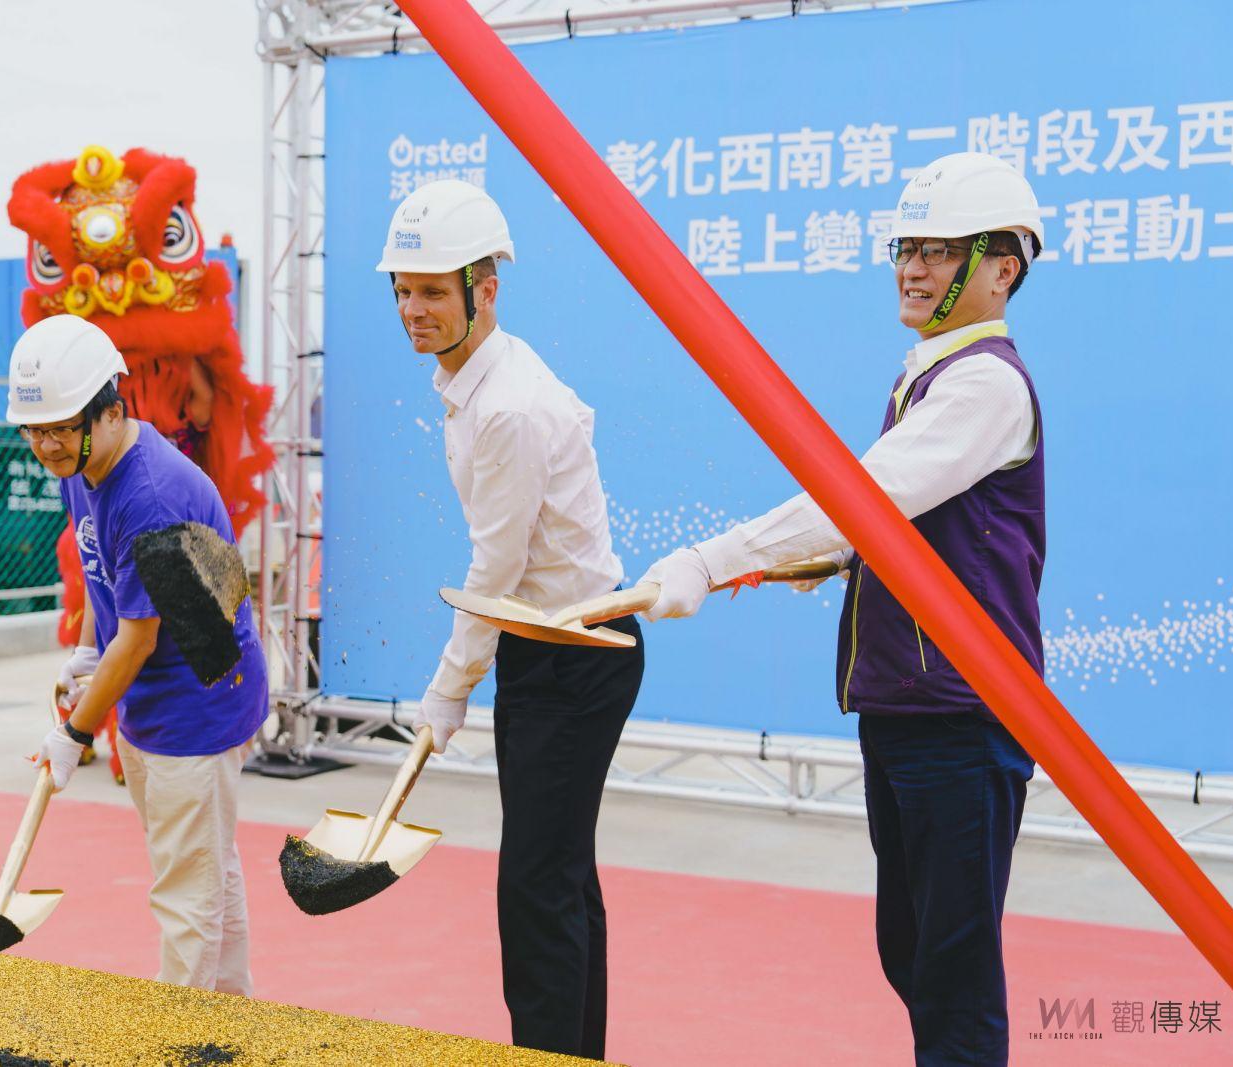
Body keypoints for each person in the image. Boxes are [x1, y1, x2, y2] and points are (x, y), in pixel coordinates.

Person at [557, 151, 1046, 1065]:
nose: (913, 267)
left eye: (940, 250)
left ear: (1003, 267)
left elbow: (863, 495)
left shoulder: (985, 383)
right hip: (906, 707)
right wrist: (828, 558)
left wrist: (713, 560)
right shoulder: (929, 376)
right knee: (912, 954)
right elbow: (898, 524)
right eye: (906, 248)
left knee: (953, 978)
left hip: (961, 714)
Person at [378, 179, 644, 1060]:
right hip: (550, 648)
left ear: (484, 290)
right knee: (559, 876)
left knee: (536, 888)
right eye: (403, 291)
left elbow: (494, 569)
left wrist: (447, 687)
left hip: (575, 653)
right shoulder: (476, 380)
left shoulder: (507, 408)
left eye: (432, 292)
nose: (413, 310)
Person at [6, 314, 268, 994]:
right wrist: (84, 653)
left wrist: (74, 732)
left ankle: (180, 1035)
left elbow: (139, 637)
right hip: (157, 694)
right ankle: (231, 1017)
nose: (45, 445)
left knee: (187, 893)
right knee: (205, 869)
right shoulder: (82, 462)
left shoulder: (152, 494)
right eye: (33, 430)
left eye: (60, 428)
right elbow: (102, 573)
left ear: (111, 410)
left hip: (201, 699)